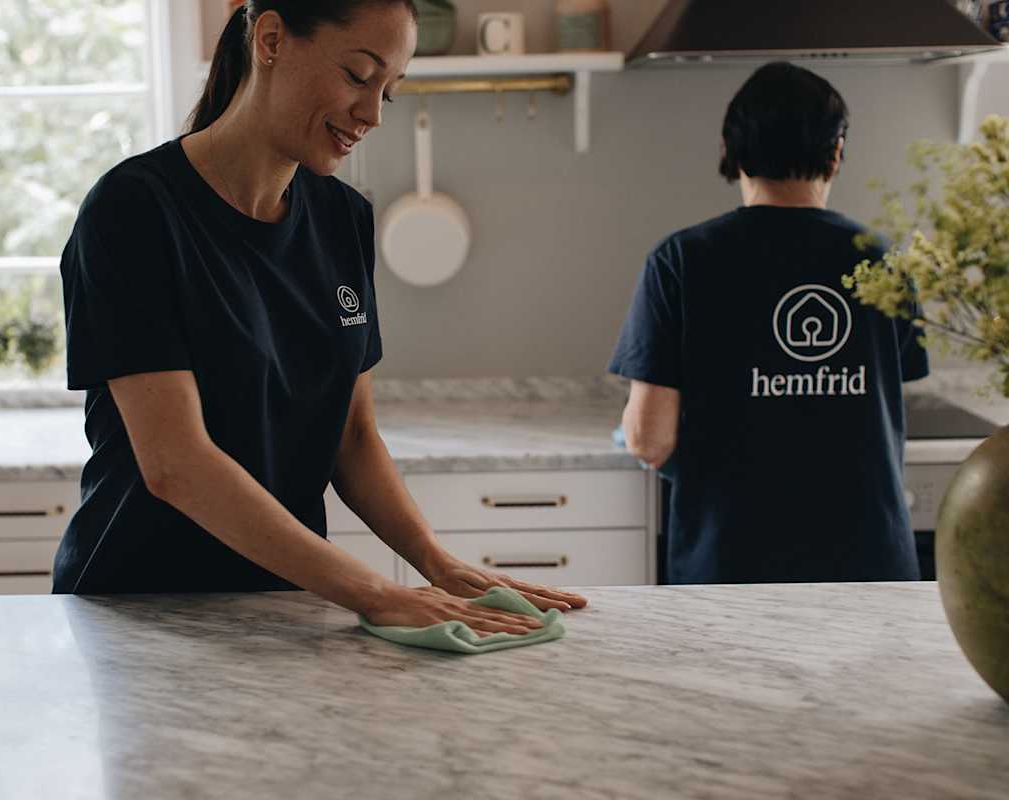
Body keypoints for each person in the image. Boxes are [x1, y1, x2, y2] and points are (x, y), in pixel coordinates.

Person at [54, 0, 587, 632]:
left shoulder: (343, 218)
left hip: (284, 610)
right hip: (141, 611)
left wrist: (436, 563)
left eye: (389, 91)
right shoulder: (134, 210)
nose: (372, 113)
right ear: (271, 39)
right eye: (359, 76)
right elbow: (176, 464)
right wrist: (376, 593)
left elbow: (352, 437)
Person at [608, 62, 929, 585]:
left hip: (733, 566)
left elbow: (649, 440)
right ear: (836, 153)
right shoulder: (883, 259)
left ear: (729, 151)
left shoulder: (682, 260)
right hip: (869, 566)